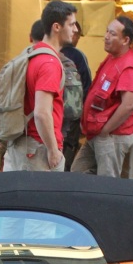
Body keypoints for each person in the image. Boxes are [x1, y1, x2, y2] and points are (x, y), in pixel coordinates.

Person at [3, 0, 77, 173]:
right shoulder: (49, 63)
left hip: (20, 144)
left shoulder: (32, 54)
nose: (75, 29)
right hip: (37, 150)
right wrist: (53, 150)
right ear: (57, 27)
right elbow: (42, 113)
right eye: (72, 24)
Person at [72, 16, 133, 178]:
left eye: (112, 34)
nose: (106, 37)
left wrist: (105, 130)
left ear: (125, 40)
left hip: (112, 135)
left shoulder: (128, 66)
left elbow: (129, 104)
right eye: (106, 32)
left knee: (107, 182)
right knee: (77, 172)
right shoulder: (112, 58)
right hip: (97, 132)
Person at [59, 26, 91, 170]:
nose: (76, 37)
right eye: (76, 34)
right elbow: (87, 86)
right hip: (71, 117)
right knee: (67, 150)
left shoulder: (48, 51)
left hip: (51, 114)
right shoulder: (78, 55)